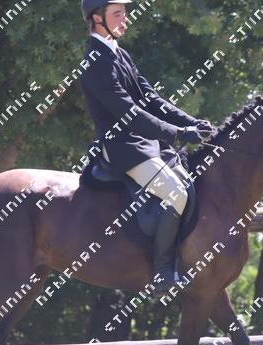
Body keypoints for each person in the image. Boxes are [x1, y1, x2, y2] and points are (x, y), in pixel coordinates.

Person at [79, 0, 215, 298]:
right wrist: (179, 133)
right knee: (175, 193)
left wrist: (191, 122)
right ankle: (162, 271)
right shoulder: (95, 63)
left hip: (148, 144)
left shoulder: (119, 54)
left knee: (190, 183)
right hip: (124, 149)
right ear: (97, 18)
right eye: (117, 14)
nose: (125, 19)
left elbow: (151, 99)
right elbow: (130, 113)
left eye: (124, 13)